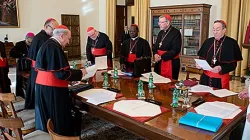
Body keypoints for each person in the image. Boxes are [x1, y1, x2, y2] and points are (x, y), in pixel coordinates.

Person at [35, 25, 87, 136]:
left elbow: (56, 69)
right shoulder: (54, 47)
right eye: (68, 39)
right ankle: (61, 136)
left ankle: (48, 135)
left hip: (43, 87)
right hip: (52, 89)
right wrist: (80, 73)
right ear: (62, 36)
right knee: (57, 117)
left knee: (48, 116)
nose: (68, 42)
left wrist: (71, 77)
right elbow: (61, 74)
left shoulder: (48, 44)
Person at [197, 20, 243, 89]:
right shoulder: (208, 41)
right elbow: (201, 58)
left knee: (219, 98)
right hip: (205, 78)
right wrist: (199, 64)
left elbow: (233, 65)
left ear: (224, 30)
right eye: (214, 29)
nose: (215, 32)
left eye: (217, 30)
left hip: (220, 80)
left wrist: (221, 68)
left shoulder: (231, 43)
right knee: (203, 97)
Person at [25, 18, 59, 109]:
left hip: (36, 68)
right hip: (40, 69)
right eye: (54, 29)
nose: (55, 32)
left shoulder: (40, 37)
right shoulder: (43, 39)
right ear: (47, 27)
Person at [152, 14, 182, 80]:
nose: (159, 24)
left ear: (168, 22)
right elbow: (156, 46)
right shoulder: (160, 33)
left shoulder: (176, 33)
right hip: (159, 61)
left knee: (169, 83)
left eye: (161, 22)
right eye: (159, 22)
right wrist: (155, 54)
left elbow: (175, 50)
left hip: (171, 62)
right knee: (158, 80)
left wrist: (162, 57)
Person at [10, 32, 35, 98]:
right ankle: (20, 96)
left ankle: (31, 95)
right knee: (21, 81)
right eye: (29, 42)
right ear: (26, 39)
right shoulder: (19, 44)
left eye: (31, 43)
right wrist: (22, 55)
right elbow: (12, 53)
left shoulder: (34, 44)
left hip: (31, 66)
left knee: (31, 80)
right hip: (22, 66)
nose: (30, 44)